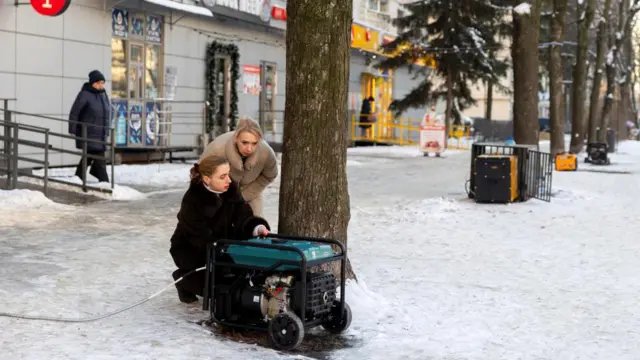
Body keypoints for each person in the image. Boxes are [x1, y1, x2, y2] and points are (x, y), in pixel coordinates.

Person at [169, 154, 271, 304]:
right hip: (192, 249)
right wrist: (224, 251)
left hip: (221, 243)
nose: (229, 180)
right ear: (207, 179)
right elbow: (200, 236)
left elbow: (244, 216)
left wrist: (257, 227)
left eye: (228, 174)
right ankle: (183, 279)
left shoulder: (231, 190)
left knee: (235, 283)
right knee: (216, 289)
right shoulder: (193, 200)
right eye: (222, 176)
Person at [199, 117, 278, 216]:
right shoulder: (217, 149)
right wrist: (215, 197)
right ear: (236, 138)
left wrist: (245, 195)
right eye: (244, 142)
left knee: (255, 226)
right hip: (218, 194)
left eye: (254, 143)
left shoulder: (266, 153)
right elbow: (200, 174)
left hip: (250, 193)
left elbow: (269, 175)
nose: (249, 149)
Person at [68, 70, 111, 183]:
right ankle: (105, 182)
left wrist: (107, 130)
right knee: (99, 157)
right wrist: (72, 129)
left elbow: (107, 113)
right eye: (99, 83)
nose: (101, 85)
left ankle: (78, 176)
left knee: (88, 156)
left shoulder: (103, 94)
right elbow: (75, 112)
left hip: (100, 133)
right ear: (93, 83)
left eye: (102, 83)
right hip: (88, 132)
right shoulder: (84, 94)